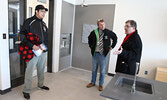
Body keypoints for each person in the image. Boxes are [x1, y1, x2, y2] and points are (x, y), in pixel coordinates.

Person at [19, 5, 49, 99]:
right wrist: (32, 46)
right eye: (42, 11)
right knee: (30, 71)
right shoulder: (29, 21)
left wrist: (45, 47)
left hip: (42, 51)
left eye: (45, 12)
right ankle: (26, 90)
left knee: (41, 69)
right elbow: (22, 36)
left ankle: (40, 84)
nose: (44, 13)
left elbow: (45, 38)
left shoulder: (43, 24)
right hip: (32, 51)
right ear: (36, 11)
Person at [87, 19, 117, 91]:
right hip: (95, 54)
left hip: (103, 55)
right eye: (101, 24)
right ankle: (92, 82)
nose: (103, 26)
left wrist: (112, 46)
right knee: (94, 69)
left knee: (102, 71)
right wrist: (91, 47)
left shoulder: (108, 32)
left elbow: (115, 38)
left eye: (103, 24)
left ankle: (101, 84)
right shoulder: (94, 33)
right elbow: (89, 39)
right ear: (98, 25)